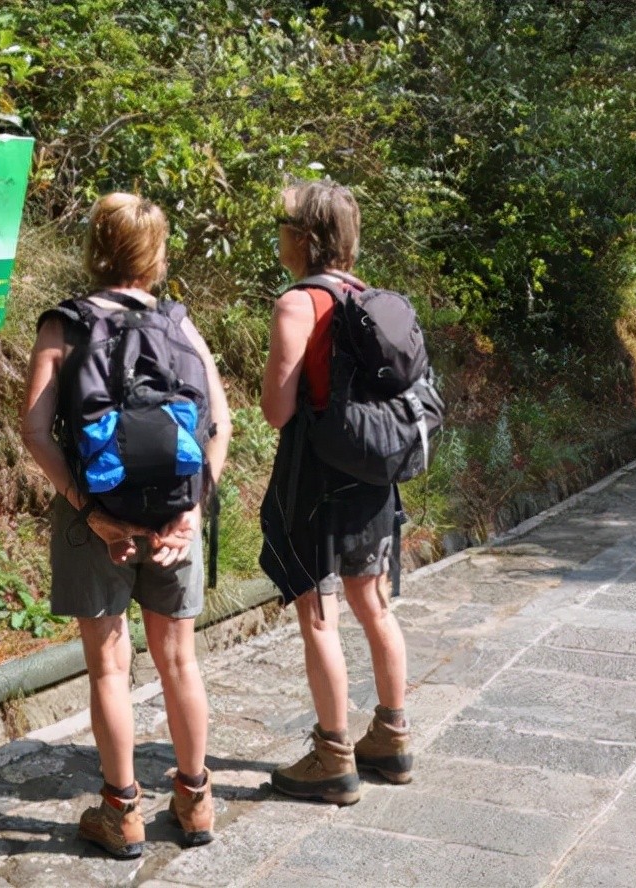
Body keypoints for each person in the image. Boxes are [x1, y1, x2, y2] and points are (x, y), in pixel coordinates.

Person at [20, 192, 232, 858]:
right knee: (178, 660)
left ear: (95, 247)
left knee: (111, 668)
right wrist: (192, 511)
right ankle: (195, 802)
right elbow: (220, 425)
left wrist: (94, 513)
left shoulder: (65, 325)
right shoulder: (179, 325)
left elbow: (34, 430)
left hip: (98, 520)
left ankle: (122, 814)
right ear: (156, 254)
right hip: (175, 513)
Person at [260, 180, 413, 805]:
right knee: (374, 606)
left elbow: (276, 410)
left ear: (303, 238)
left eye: (284, 224)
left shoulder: (297, 306)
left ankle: (333, 756)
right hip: (375, 477)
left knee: (318, 614)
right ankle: (392, 738)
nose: (279, 234)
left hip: (315, 482)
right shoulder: (373, 301)